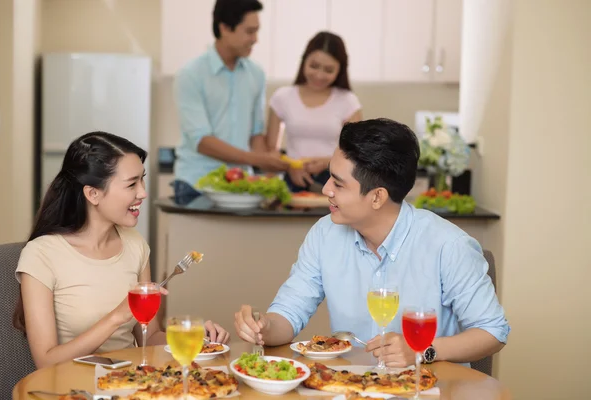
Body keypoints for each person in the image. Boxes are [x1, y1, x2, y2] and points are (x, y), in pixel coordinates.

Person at [234, 118, 510, 367]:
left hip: (426, 389)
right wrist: (263, 327)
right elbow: (288, 315)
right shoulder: (324, 234)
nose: (326, 189)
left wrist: (422, 350)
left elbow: (493, 332)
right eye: (329, 177)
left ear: (377, 197)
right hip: (350, 388)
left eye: (338, 184)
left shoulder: (448, 246)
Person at [13, 132, 230, 369]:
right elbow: (46, 361)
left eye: (142, 180)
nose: (143, 192)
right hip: (73, 389)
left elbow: (150, 337)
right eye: (131, 184)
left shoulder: (135, 245)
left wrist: (193, 338)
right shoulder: (41, 255)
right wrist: (118, 315)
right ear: (93, 194)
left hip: (132, 385)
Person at [172, 0, 288, 205]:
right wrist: (259, 160)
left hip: (241, 185)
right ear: (224, 28)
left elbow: (255, 135)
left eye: (257, 31)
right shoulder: (190, 75)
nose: (255, 39)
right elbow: (202, 141)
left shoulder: (256, 74)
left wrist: (269, 171)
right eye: (249, 32)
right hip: (196, 185)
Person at [266, 31, 362, 192]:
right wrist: (290, 166)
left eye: (328, 70)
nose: (319, 75)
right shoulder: (282, 97)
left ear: (340, 70)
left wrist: (327, 162)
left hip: (336, 182)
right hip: (292, 179)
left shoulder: (348, 101)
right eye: (314, 66)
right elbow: (271, 150)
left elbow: (356, 152)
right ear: (304, 61)